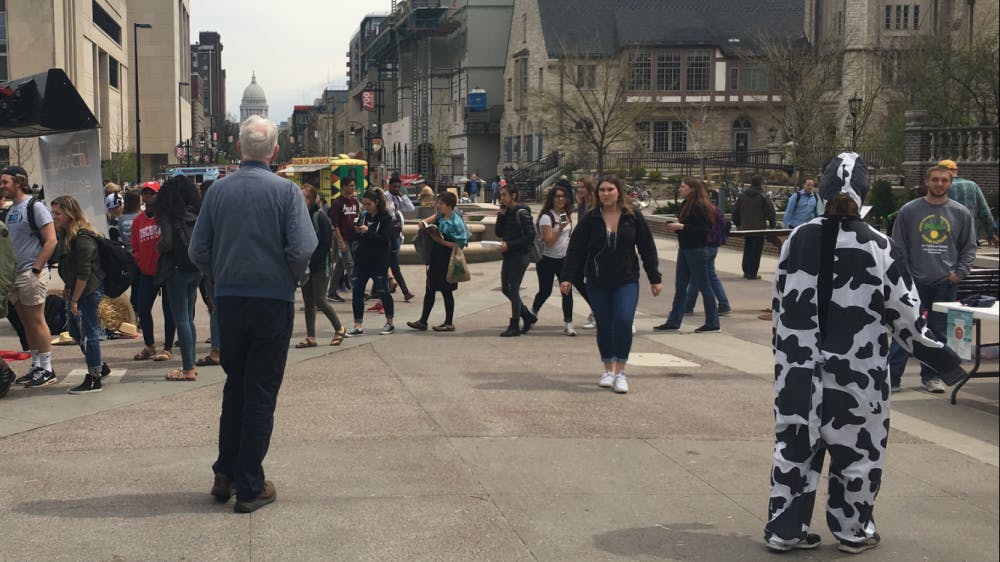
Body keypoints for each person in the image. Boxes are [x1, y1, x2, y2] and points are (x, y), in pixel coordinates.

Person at [764, 152, 964, 554]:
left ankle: (784, 530)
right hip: (859, 369)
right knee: (858, 452)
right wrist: (944, 361)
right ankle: (854, 531)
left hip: (799, 369)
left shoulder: (797, 240)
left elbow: (779, 305)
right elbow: (906, 316)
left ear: (821, 187)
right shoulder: (880, 246)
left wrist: (784, 355)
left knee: (794, 447)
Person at [190, 115, 317, 513]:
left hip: (229, 300)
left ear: (240, 149)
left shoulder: (217, 192)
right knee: (260, 392)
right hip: (272, 301)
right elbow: (300, 250)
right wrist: (291, 280)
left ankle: (224, 473)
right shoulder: (287, 193)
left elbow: (198, 251)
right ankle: (249, 485)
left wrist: (220, 276)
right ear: (275, 151)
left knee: (236, 386)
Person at [561, 175, 662, 394]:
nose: (606, 194)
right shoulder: (591, 218)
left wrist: (655, 277)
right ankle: (608, 368)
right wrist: (567, 277)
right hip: (597, 280)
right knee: (605, 324)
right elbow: (576, 249)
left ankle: (621, 372)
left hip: (626, 279)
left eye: (610, 190)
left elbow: (647, 247)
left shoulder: (632, 217)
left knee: (623, 321)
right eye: (602, 190)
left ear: (619, 192)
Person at [887, 164, 976, 393]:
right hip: (913, 282)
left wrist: (960, 273)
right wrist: (904, 274)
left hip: (945, 282)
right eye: (935, 180)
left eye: (944, 180)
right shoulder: (909, 211)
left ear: (950, 183)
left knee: (937, 333)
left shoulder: (960, 213)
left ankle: (931, 377)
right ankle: (892, 377)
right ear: (927, 182)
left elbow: (969, 246)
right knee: (905, 329)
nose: (939, 184)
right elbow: (897, 245)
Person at [2, 165, 59, 387]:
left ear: (19, 182)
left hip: (30, 272)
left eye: (5, 181)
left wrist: (37, 268)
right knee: (26, 322)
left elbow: (51, 240)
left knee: (36, 320)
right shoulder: (11, 210)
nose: (2, 186)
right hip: (15, 274)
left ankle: (47, 367)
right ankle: (36, 364)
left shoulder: (35, 207)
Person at [50, 195, 110, 394]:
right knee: (76, 332)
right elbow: (72, 268)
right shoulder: (67, 235)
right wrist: (69, 288)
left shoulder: (83, 238)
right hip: (78, 288)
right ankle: (99, 365)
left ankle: (94, 377)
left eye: (57, 213)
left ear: (69, 213)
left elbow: (84, 273)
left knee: (89, 333)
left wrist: (75, 299)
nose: (54, 216)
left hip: (88, 290)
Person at [654, 177, 720, 333]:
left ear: (692, 189)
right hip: (686, 248)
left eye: (683, 187)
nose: (680, 189)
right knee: (681, 286)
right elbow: (690, 228)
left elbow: (704, 230)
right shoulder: (687, 205)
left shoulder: (699, 206)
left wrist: (682, 226)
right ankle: (674, 320)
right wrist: (678, 227)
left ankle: (713, 322)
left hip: (697, 249)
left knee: (704, 285)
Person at [156, 175, 202, 382]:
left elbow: (166, 243)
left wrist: (158, 247)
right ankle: (191, 362)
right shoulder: (195, 213)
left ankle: (187, 368)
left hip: (175, 270)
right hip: (195, 269)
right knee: (189, 319)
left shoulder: (168, 215)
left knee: (180, 318)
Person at [407, 191, 468, 332]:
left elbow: (460, 244)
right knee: (430, 289)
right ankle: (423, 321)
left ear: (449, 206)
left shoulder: (456, 222)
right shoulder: (441, 216)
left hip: (447, 258)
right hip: (436, 257)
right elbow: (430, 220)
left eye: (441, 203)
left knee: (447, 291)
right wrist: (425, 225)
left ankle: (448, 322)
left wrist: (440, 240)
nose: (438, 205)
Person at [131, 181, 176, 362]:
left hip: (166, 271)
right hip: (147, 272)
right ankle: (149, 345)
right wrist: (141, 262)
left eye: (152, 192)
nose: (148, 196)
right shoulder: (138, 221)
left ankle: (167, 347)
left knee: (169, 310)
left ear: (159, 195)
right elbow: (135, 247)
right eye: (145, 192)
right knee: (142, 308)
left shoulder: (166, 217)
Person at [295, 184, 345, 348]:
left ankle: (339, 328)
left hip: (319, 266)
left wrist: (312, 259)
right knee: (308, 302)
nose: (301, 199)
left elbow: (325, 243)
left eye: (304, 196)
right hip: (305, 265)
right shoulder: (299, 216)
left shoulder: (319, 216)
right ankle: (311, 337)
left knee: (320, 300)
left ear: (310, 199)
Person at [529, 181, 578, 336]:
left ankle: (568, 323)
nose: (561, 199)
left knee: (567, 291)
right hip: (547, 260)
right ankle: (532, 313)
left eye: (564, 196)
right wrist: (561, 228)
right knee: (545, 291)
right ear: (552, 199)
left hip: (564, 260)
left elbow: (567, 236)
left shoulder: (564, 214)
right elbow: (549, 240)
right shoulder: (546, 217)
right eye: (557, 197)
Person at [346, 188, 396, 336]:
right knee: (357, 292)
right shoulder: (364, 216)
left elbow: (384, 240)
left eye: (369, 204)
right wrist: (357, 231)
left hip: (378, 262)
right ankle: (358, 325)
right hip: (362, 261)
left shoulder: (385, 219)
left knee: (383, 292)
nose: (366, 207)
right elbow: (356, 236)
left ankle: (390, 322)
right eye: (364, 204)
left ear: (377, 203)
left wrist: (367, 231)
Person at [495, 184, 537, 337]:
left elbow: (529, 237)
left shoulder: (522, 212)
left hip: (520, 255)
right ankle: (527, 315)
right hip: (509, 255)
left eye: (505, 195)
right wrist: (501, 215)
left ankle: (514, 324)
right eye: (501, 195)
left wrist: (510, 245)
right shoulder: (506, 212)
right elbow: (498, 232)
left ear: (513, 196)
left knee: (513, 288)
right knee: (506, 288)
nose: (502, 198)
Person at [684, 198, 732, 317]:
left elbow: (699, 229)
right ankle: (723, 303)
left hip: (702, 246)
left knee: (696, 277)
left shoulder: (700, 210)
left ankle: (687, 306)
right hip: (713, 246)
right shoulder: (714, 209)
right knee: (710, 276)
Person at [937, 159, 997, 246]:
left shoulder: (938, 187)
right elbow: (985, 213)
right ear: (956, 170)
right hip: (969, 236)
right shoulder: (972, 185)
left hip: (944, 236)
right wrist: (990, 234)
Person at [732, 175, 776, 279]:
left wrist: (738, 224)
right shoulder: (763, 196)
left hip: (746, 228)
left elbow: (735, 212)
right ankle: (752, 273)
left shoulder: (742, 196)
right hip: (758, 228)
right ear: (760, 183)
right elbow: (770, 212)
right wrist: (772, 224)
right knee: (756, 251)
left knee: (748, 248)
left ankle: (746, 271)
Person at [327, 176, 359, 302]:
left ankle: (332, 292)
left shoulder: (355, 202)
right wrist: (340, 242)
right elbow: (335, 225)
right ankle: (358, 291)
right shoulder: (337, 203)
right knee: (350, 264)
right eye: (350, 185)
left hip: (352, 238)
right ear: (344, 186)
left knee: (340, 266)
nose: (353, 188)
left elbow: (356, 219)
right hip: (342, 238)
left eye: (353, 185)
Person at [385, 174, 416, 302]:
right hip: (386, 234)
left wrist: (402, 196)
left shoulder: (398, 198)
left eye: (398, 187)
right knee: (393, 264)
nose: (396, 189)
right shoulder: (384, 198)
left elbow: (410, 208)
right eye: (394, 187)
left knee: (390, 262)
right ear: (389, 186)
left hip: (396, 234)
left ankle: (382, 288)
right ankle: (405, 291)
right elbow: (388, 212)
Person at [575, 177, 597, 329]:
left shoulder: (594, 205)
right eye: (578, 187)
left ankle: (597, 312)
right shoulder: (582, 204)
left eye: (582, 187)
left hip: (593, 250)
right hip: (583, 249)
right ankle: (596, 309)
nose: (580, 190)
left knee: (593, 282)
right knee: (578, 279)